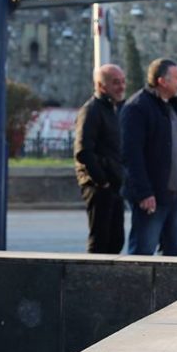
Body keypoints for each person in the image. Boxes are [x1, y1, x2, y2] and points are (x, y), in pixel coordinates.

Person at [120, 58, 177, 256]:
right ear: (162, 81)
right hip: (152, 195)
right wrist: (144, 193)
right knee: (143, 251)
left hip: (175, 192)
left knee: (174, 248)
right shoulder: (137, 108)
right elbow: (131, 155)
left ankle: (169, 288)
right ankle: (135, 287)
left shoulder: (175, 105)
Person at [74, 63, 127, 254]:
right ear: (101, 85)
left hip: (113, 185)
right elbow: (84, 151)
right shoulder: (92, 110)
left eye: (122, 82)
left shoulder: (113, 109)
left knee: (116, 240)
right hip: (98, 187)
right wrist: (102, 181)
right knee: (100, 241)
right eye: (115, 83)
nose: (121, 87)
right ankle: (93, 281)